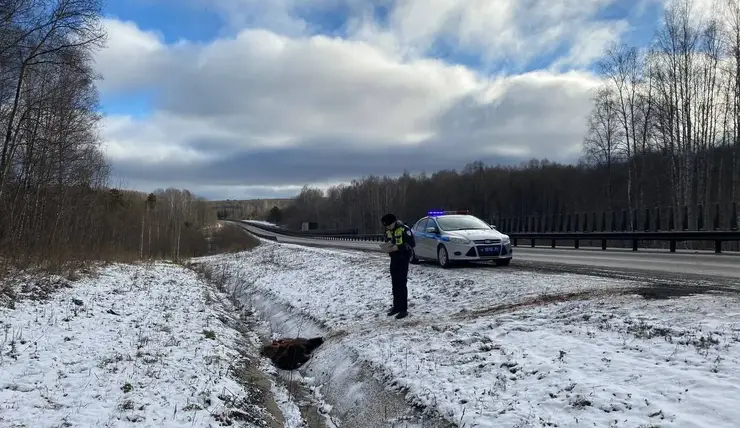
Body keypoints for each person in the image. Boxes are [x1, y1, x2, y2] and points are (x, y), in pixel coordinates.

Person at [380, 213, 414, 319]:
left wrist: (398, 248)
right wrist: (387, 247)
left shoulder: (404, 229)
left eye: (389, 225)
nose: (388, 227)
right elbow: (387, 240)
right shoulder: (388, 230)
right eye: (386, 226)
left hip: (403, 258)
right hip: (394, 258)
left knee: (401, 283)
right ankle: (396, 307)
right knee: (395, 282)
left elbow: (411, 244)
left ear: (394, 222)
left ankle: (403, 309)